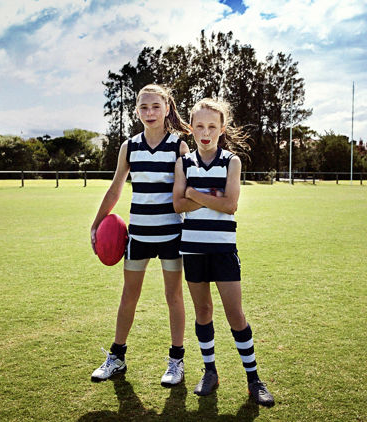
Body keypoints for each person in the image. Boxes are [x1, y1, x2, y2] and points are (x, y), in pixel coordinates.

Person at [173, 98, 275, 407]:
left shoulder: (231, 161)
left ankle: (254, 379)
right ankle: (210, 371)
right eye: (200, 126)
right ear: (191, 128)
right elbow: (178, 205)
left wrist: (192, 193)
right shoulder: (183, 163)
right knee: (203, 312)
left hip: (223, 250)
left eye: (212, 126)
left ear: (222, 129)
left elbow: (230, 205)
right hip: (192, 250)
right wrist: (206, 195)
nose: (205, 132)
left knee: (235, 314)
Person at [90, 84, 190, 387]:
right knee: (128, 296)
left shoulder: (179, 146)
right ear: (136, 110)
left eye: (155, 106)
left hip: (172, 234)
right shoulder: (129, 146)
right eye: (143, 107)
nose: (149, 112)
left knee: (173, 296)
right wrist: (96, 224)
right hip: (139, 236)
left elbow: (186, 193)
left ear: (167, 109)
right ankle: (117, 357)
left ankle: (176, 361)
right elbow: (116, 188)